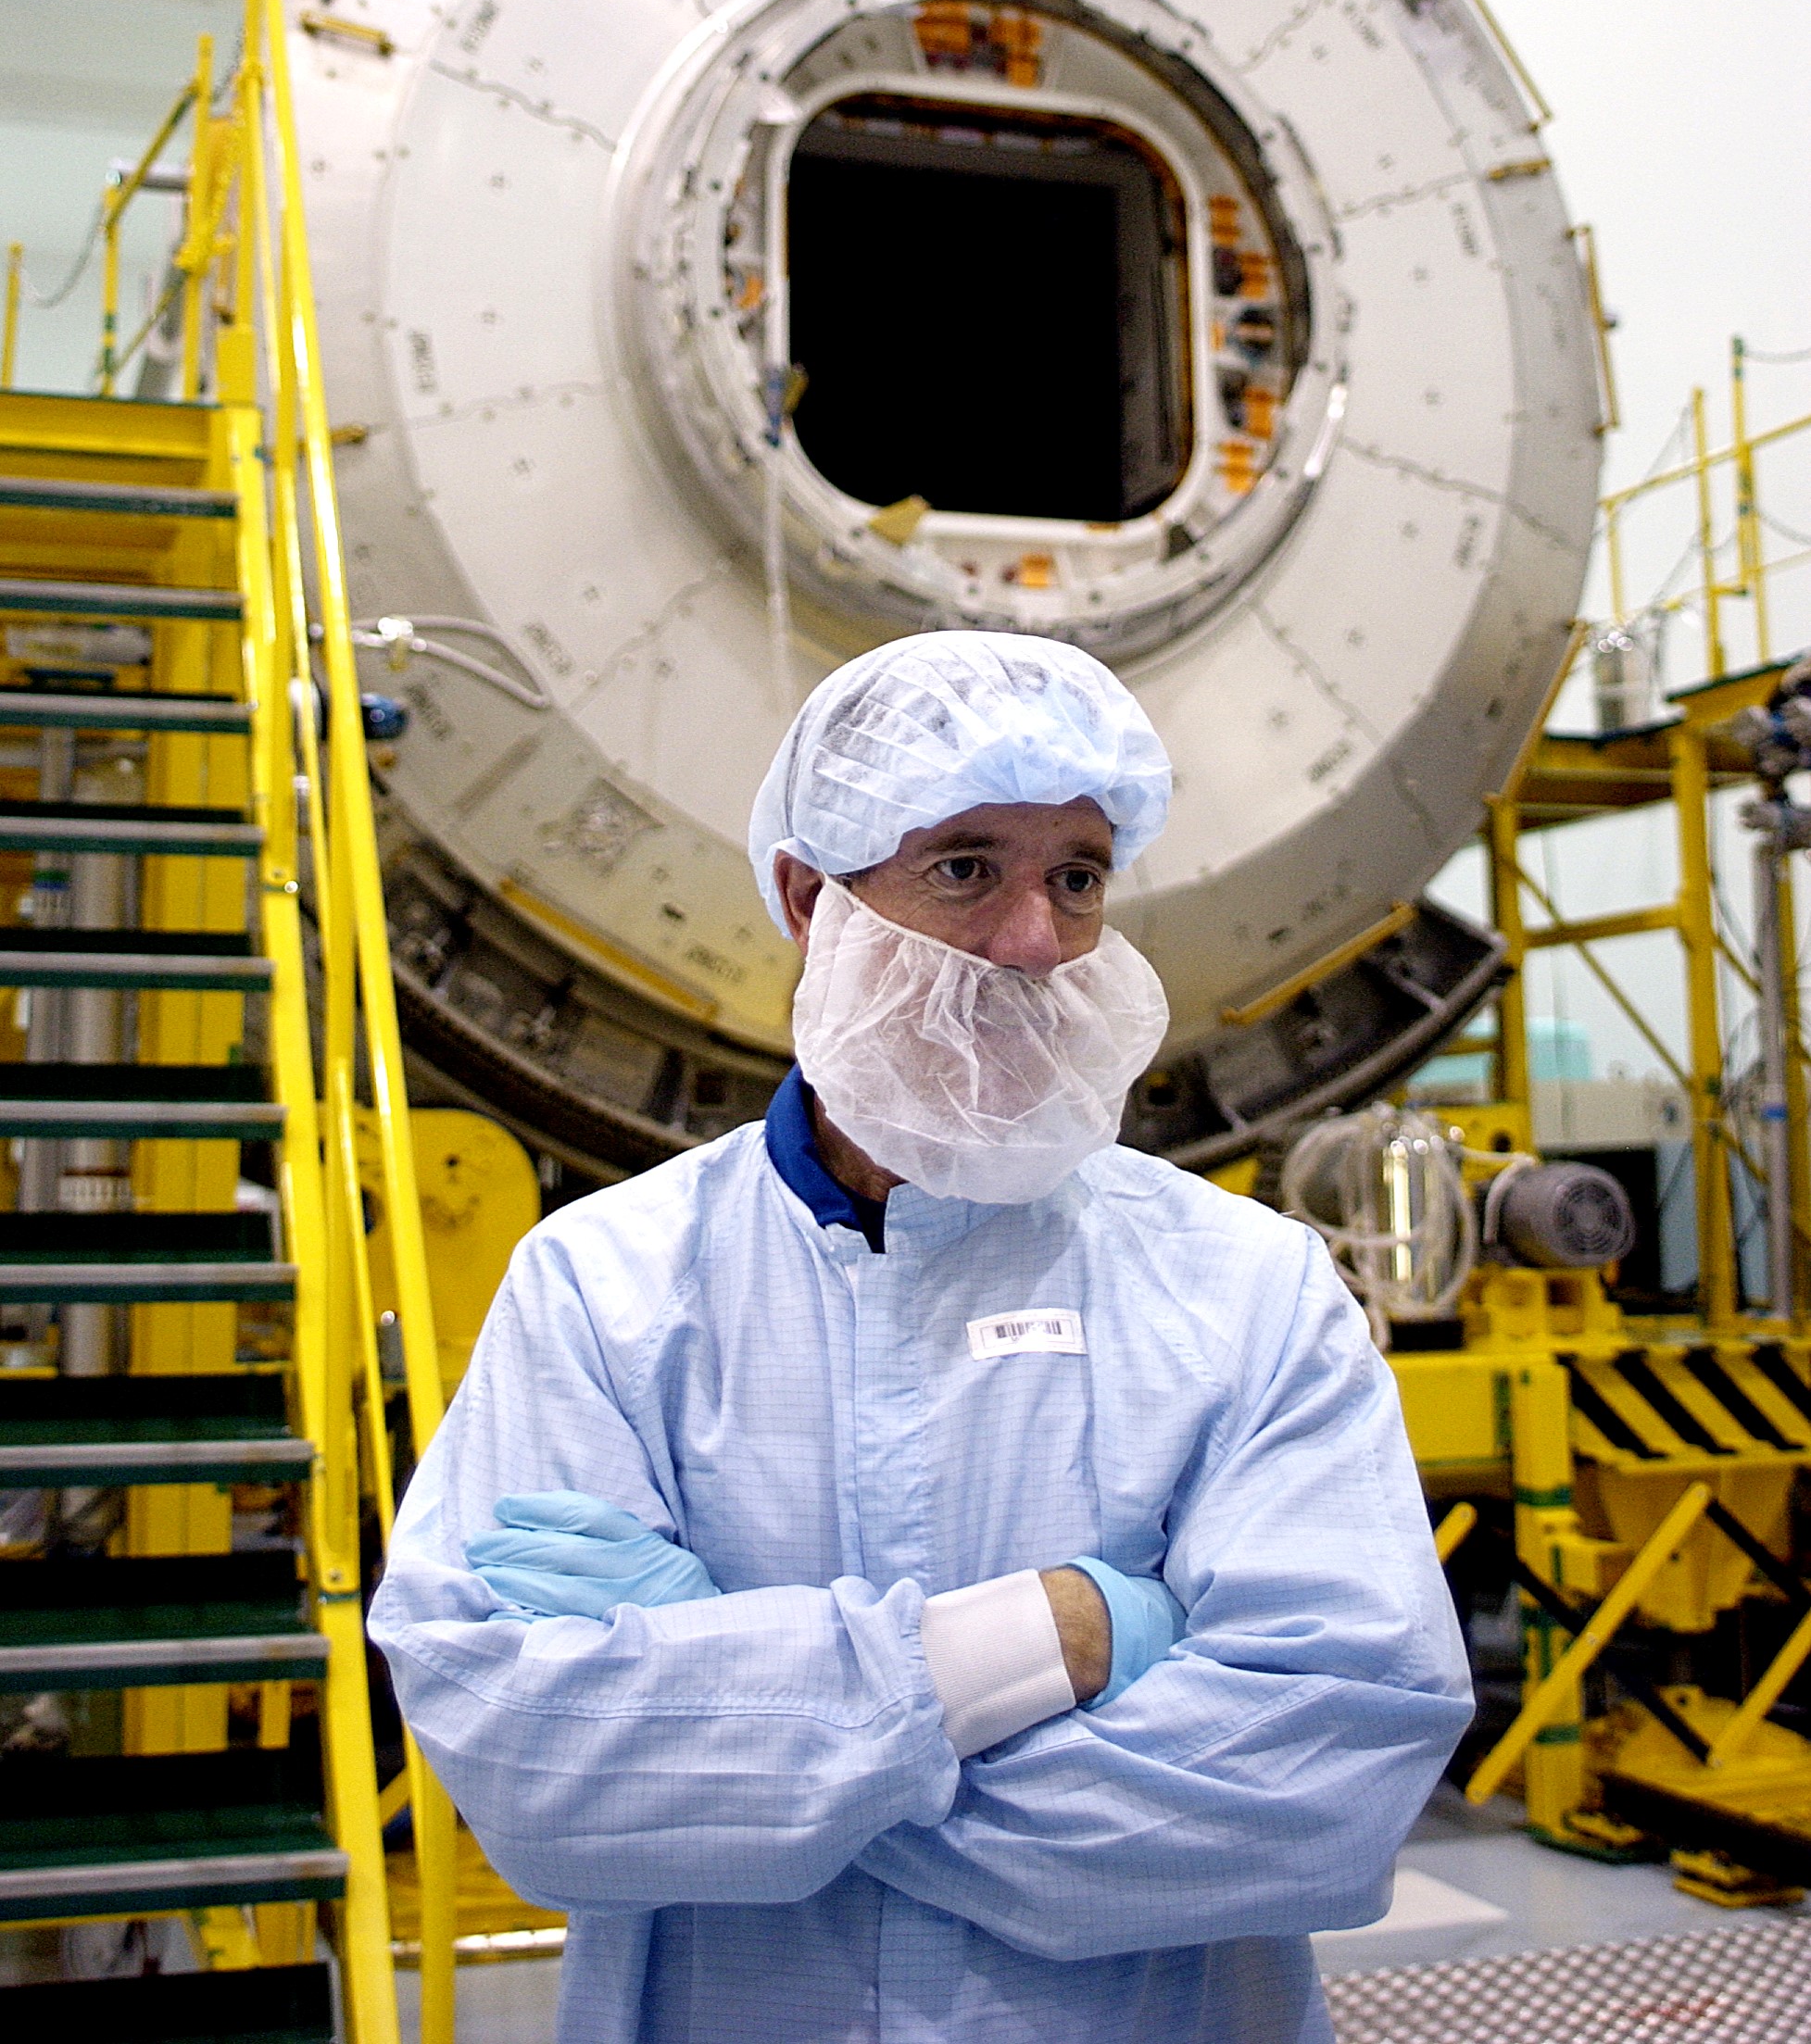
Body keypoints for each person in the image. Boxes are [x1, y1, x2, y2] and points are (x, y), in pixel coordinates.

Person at [371, 632, 1472, 2044]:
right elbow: (537, 1776)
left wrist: (744, 1728)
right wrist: (1051, 1639)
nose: (1034, 940)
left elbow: (1324, 1784)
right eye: (965, 866)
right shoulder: (607, 1286)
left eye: (1076, 877)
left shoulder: (1248, 1289)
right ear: (804, 896)